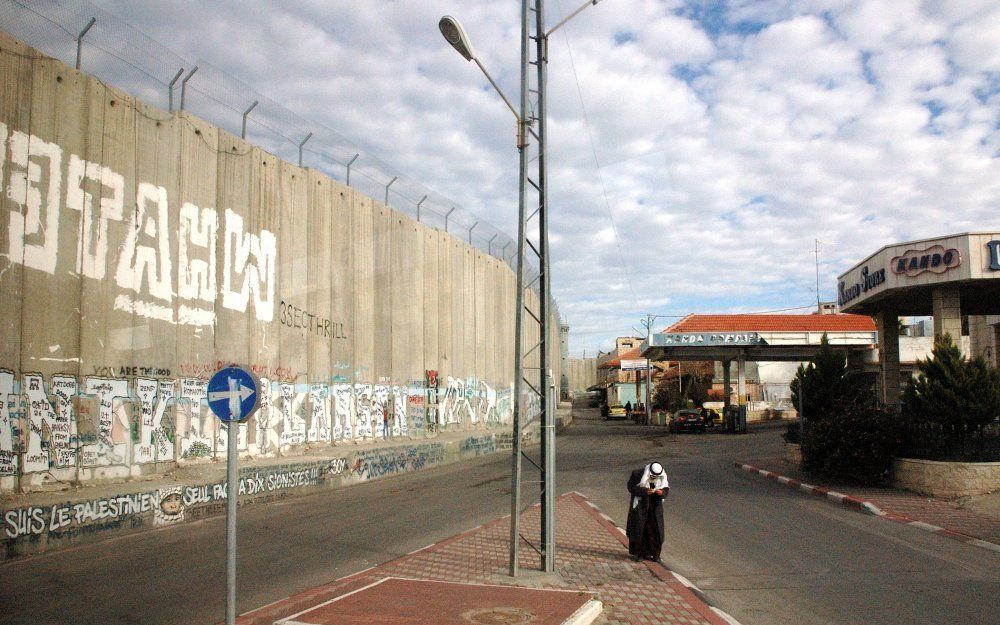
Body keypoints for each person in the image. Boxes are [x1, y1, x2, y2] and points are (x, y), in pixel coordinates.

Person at [626, 461, 669, 562]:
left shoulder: (663, 476)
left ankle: (655, 555)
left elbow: (666, 490)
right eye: (652, 476)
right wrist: (644, 491)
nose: (654, 478)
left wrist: (661, 492)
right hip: (641, 507)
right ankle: (639, 554)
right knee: (640, 530)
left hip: (655, 508)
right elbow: (631, 487)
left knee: (656, 531)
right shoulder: (637, 474)